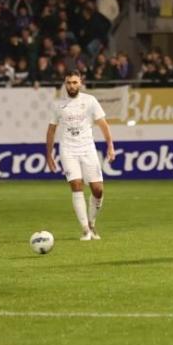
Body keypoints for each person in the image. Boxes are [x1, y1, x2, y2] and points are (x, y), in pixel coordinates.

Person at [46, 70, 115, 241]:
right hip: (68, 150)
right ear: (65, 84)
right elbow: (51, 130)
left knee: (98, 190)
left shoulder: (90, 101)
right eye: (69, 83)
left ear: (81, 83)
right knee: (76, 185)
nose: (72, 86)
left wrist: (110, 146)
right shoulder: (58, 105)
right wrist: (49, 154)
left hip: (87, 149)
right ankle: (85, 229)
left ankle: (91, 223)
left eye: (75, 82)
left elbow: (103, 124)